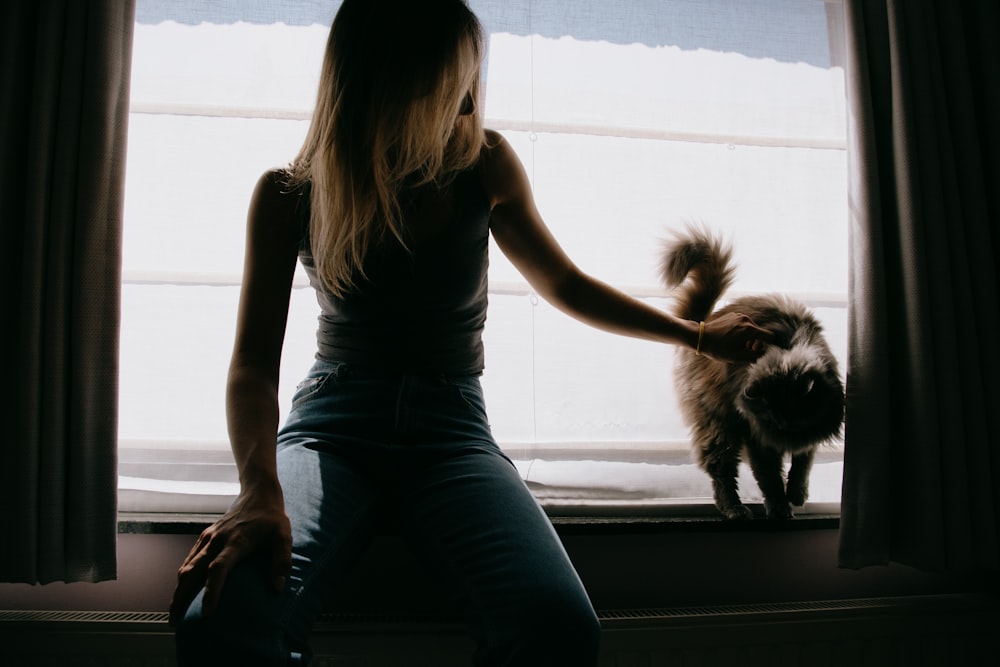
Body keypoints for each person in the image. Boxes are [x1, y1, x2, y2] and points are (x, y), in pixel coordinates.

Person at [169, 1, 775, 664]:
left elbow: (565, 284)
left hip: (451, 432)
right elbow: (252, 366)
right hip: (329, 430)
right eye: (450, 78)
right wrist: (258, 491)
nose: (468, 95)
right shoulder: (289, 193)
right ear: (393, 82)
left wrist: (696, 334)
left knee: (560, 625)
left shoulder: (483, 162)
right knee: (222, 619)